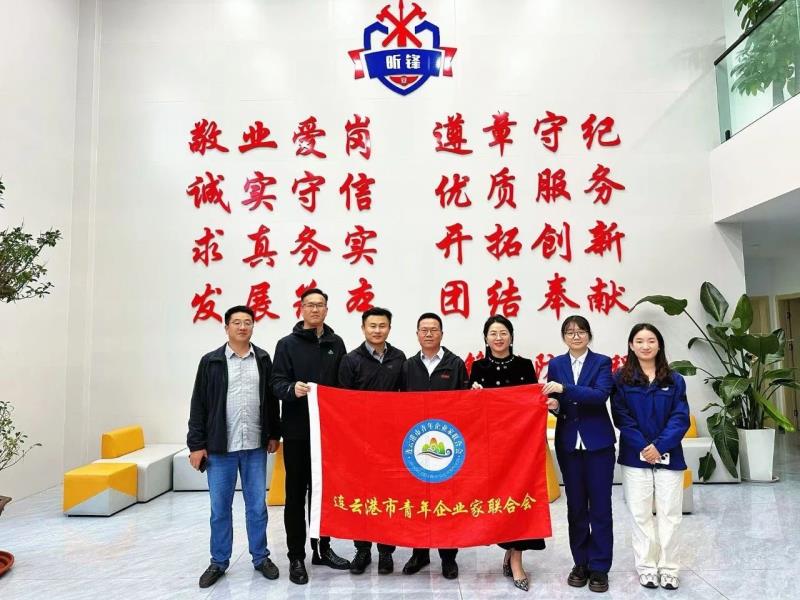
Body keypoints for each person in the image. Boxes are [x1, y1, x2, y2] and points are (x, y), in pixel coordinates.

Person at [187, 305, 281, 589]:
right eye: (236, 322)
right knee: (220, 508)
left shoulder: (262, 359)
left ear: (253, 326)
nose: (242, 327)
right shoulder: (211, 361)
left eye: (247, 322)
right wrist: (196, 444)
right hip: (220, 449)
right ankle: (218, 561)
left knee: (257, 507)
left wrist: (273, 434)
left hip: (254, 447)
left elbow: (271, 401)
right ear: (226, 327)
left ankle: (261, 557)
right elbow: (198, 404)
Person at [469, 315, 557, 592]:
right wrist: (473, 394)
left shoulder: (524, 365)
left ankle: (517, 559)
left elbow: (532, 403)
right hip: (491, 447)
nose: (498, 338)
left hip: (521, 446)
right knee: (500, 500)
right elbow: (471, 411)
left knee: (521, 498)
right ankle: (508, 550)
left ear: (511, 336)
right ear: (486, 338)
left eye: (503, 332)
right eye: (493, 333)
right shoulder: (478, 368)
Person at [270, 288, 351, 585]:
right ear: (301, 309)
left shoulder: (335, 343)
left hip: (329, 434)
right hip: (297, 433)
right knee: (295, 495)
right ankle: (296, 556)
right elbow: (276, 383)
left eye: (320, 305)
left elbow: (343, 385)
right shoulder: (286, 344)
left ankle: (322, 549)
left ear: (327, 310)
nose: (315, 310)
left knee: (323, 494)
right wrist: (292, 389)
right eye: (310, 305)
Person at [611, 323, 689, 591]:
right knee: (640, 514)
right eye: (640, 341)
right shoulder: (621, 379)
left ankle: (669, 569)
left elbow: (680, 418)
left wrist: (660, 446)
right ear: (631, 345)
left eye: (651, 340)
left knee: (670, 514)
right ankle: (646, 567)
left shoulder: (674, 380)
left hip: (670, 455)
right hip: (635, 456)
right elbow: (621, 417)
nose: (646, 346)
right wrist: (645, 447)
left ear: (659, 345)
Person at [541, 315, 615, 593]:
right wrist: (554, 405)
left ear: (589, 335)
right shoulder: (556, 364)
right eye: (570, 332)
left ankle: (600, 567)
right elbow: (558, 403)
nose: (576, 336)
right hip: (569, 444)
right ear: (564, 337)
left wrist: (564, 389)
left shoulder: (602, 362)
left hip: (598, 444)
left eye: (581, 331)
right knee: (575, 507)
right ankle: (580, 563)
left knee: (600, 507)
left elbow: (599, 395)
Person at [400, 312, 469, 580]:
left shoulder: (455, 364)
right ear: (417, 334)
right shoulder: (407, 366)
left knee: (446, 500)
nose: (429, 334)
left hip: (447, 445)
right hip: (415, 446)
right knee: (417, 500)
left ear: (442, 333)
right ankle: (419, 553)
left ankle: (448, 557)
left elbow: (466, 403)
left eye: (434, 329)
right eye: (424, 330)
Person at [338, 306, 406, 575]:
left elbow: (407, 397)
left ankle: (386, 551)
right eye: (372, 326)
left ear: (389, 328)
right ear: (363, 328)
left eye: (382, 326)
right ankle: (362, 550)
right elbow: (342, 402)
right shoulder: (350, 360)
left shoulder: (399, 358)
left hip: (391, 441)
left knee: (388, 495)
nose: (377, 330)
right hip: (359, 442)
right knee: (362, 495)